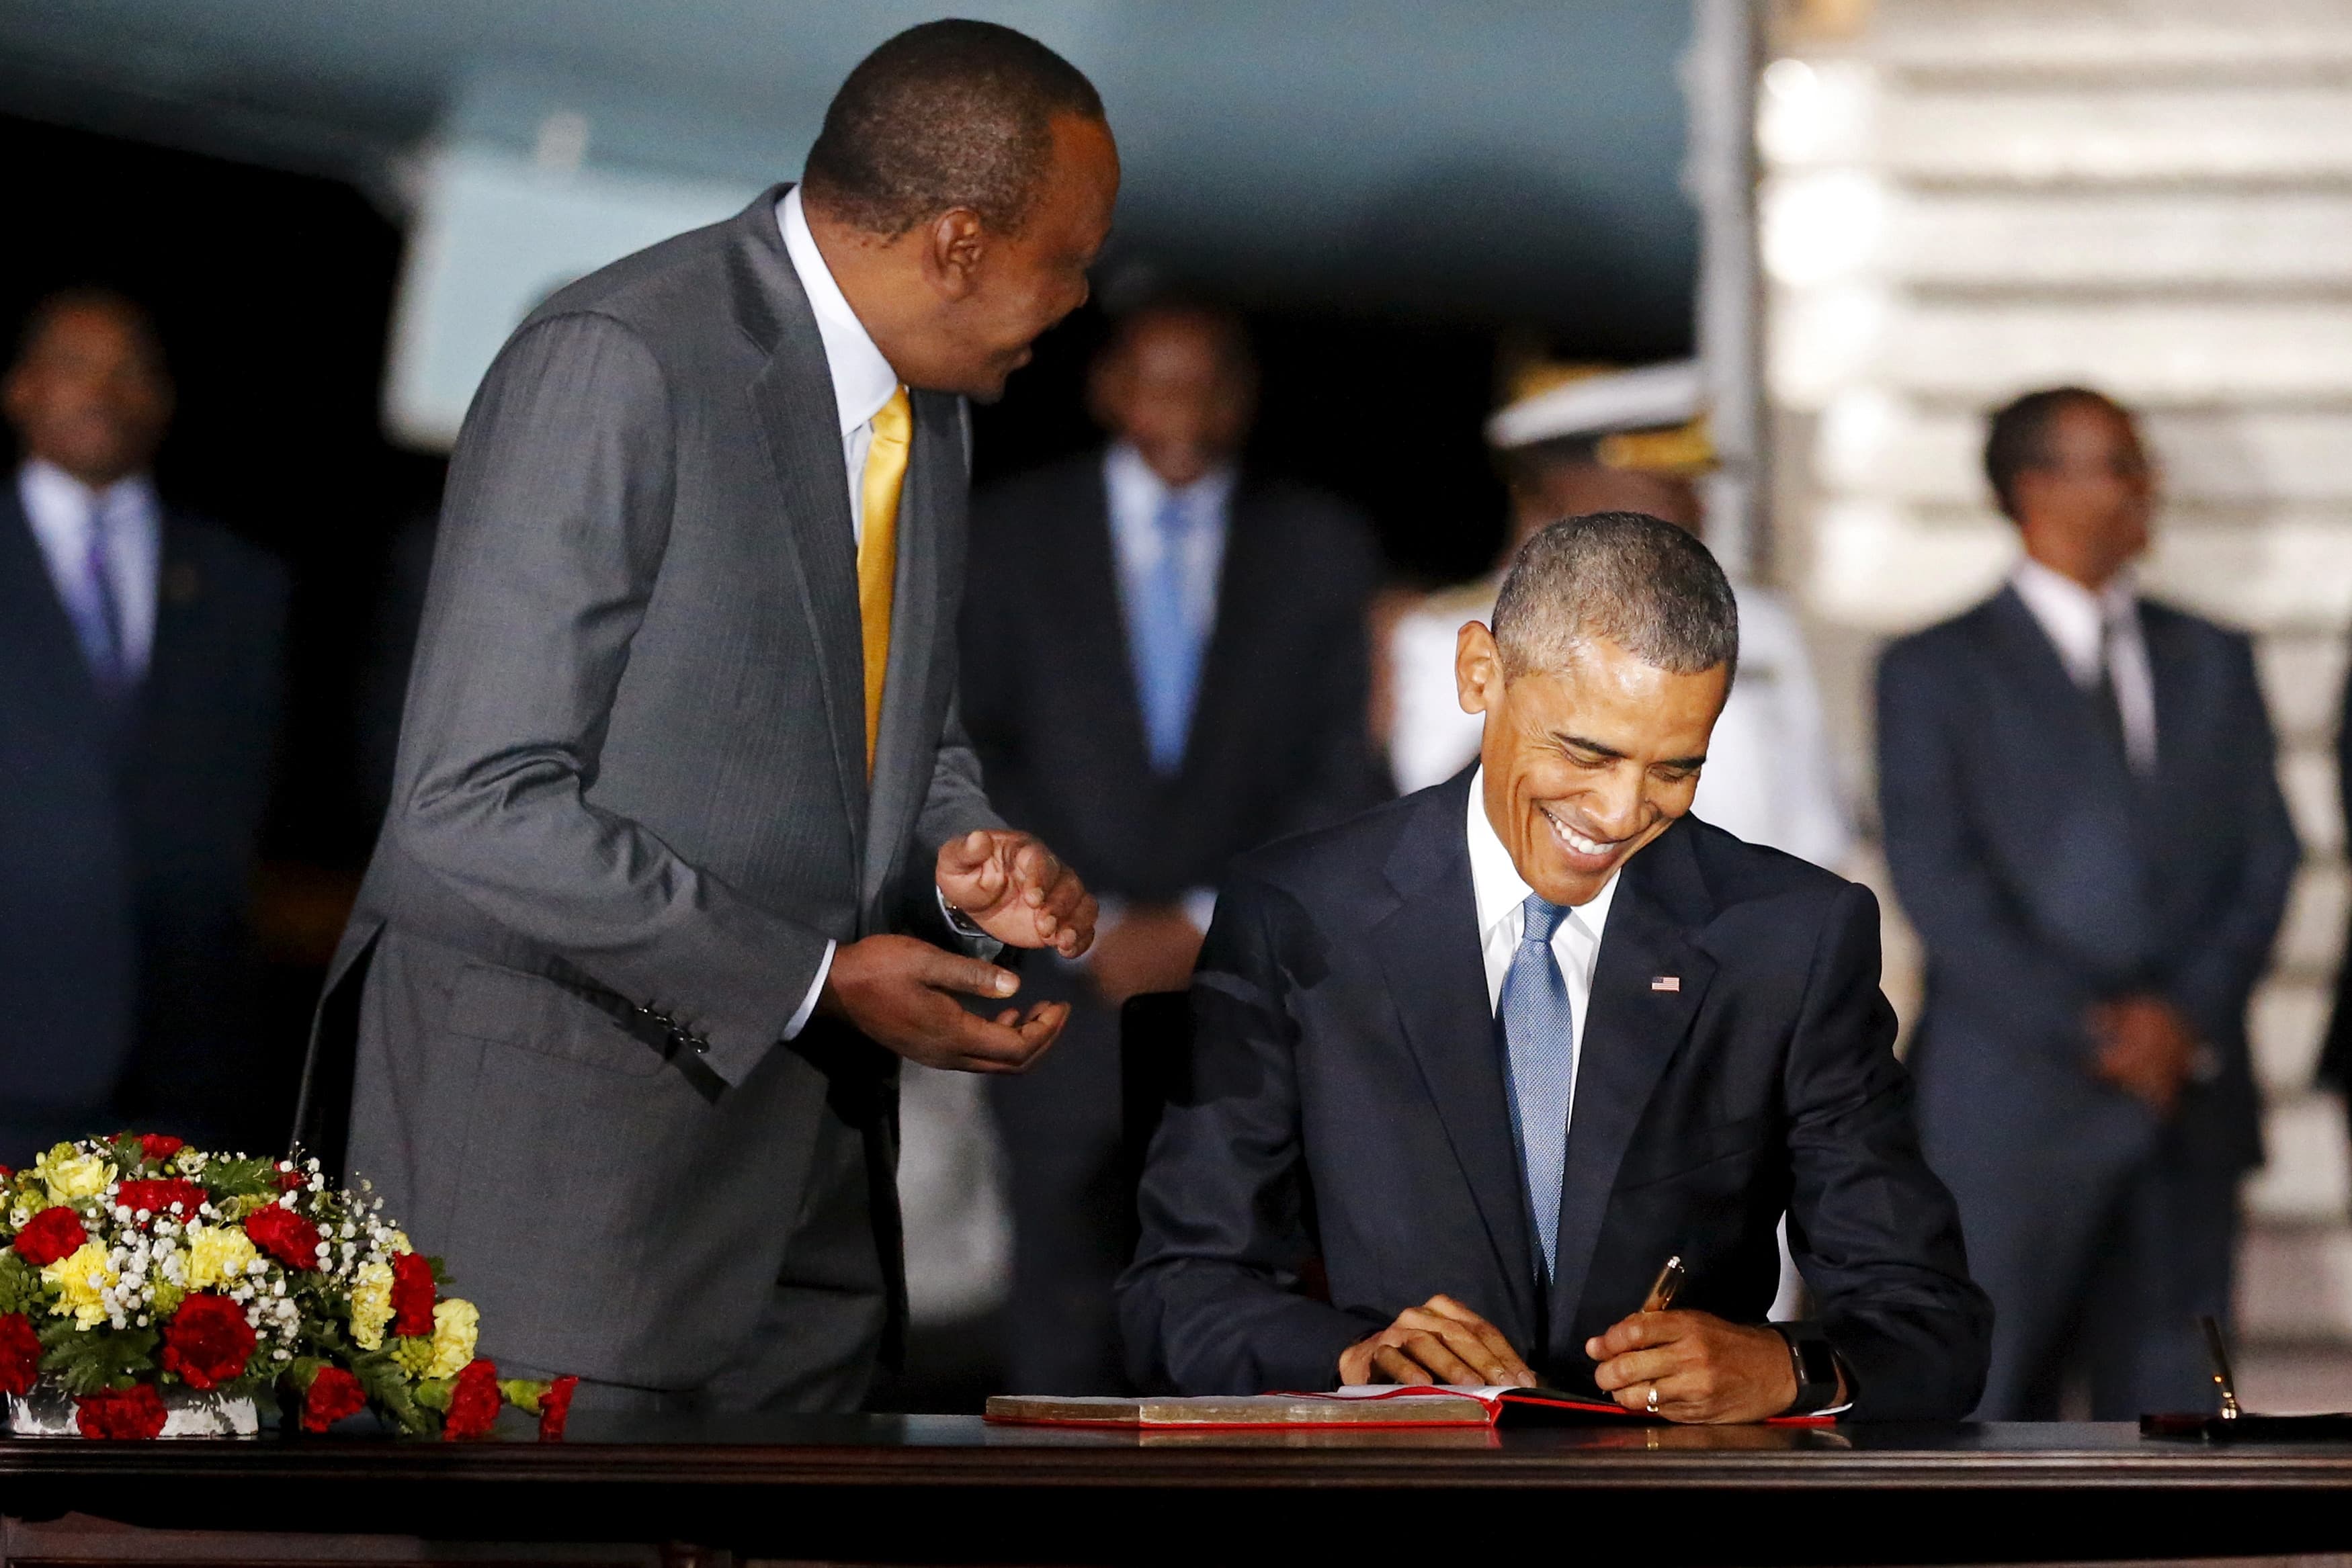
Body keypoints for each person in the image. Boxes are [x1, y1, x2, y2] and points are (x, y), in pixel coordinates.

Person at [298, 21, 1118, 1413]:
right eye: (1070, 258)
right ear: (960, 244)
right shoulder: (620, 357)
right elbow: (470, 802)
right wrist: (809, 980)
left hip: (804, 1218)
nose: (1082, 298)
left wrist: (966, 851)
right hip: (565, 1210)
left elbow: (893, 732)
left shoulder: (937, 411)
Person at [1122, 512, 1990, 1420]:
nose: (1620, 812)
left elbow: (1933, 1321)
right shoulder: (1300, 913)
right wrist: (1355, 1356)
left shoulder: (1787, 937)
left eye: (1675, 769)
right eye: (1587, 751)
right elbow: (1175, 1297)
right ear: (1480, 674)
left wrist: (1786, 1366)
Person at [962, 297, 1385, 1392]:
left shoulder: (1321, 545)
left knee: (1232, 1280)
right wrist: (1077, 912)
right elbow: (969, 745)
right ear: (1109, 388)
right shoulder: (1008, 534)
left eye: (1208, 384)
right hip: (1058, 977)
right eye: (1158, 380)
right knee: (1059, 1278)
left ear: (1243, 399)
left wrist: (1205, 919)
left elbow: (1341, 768)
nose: (1182, 409)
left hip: (1237, 990)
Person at [1878, 387, 2297, 1421]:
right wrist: (2096, 1028)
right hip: (2012, 1114)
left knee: (2183, 1422)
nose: (2149, 485)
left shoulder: (2214, 655)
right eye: (2122, 462)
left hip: (2183, 1104)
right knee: (1984, 1410)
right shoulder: (1934, 669)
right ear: (2035, 488)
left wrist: (2181, 1019)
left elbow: (2268, 857)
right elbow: (1941, 881)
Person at [0, 288, 287, 1162]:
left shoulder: (241, 581)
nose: (103, 391)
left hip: (175, 1071)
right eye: (76, 366)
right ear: (21, 389)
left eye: (131, 373)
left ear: (162, 402)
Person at [1384, 360, 1851, 871]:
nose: (1697, 506)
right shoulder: (1451, 634)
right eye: (1663, 485)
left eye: (1693, 485)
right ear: (1571, 486)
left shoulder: (1758, 619)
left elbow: (1814, 823)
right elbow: (1448, 819)